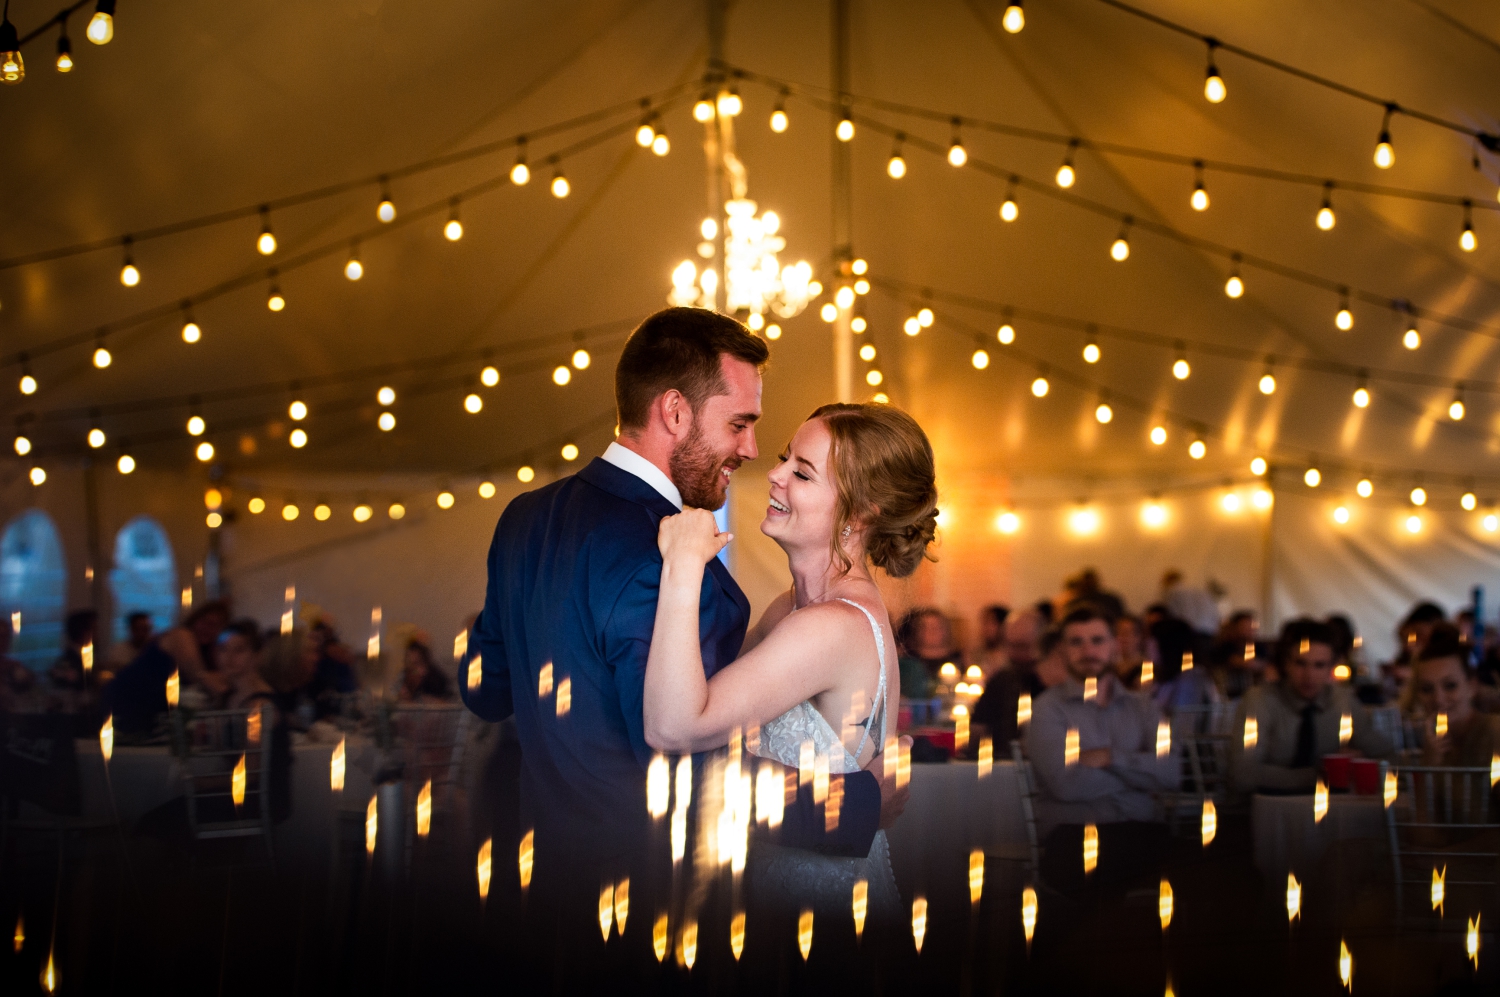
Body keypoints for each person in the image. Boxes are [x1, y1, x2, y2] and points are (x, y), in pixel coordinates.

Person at [459, 309, 908, 962]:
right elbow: (684, 767)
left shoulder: (525, 517)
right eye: (740, 423)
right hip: (654, 903)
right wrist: (859, 800)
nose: (753, 452)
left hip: (541, 879)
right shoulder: (671, 558)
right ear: (675, 412)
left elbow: (486, 690)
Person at [645, 401, 937, 924]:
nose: (774, 475)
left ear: (860, 511)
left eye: (801, 472)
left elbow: (676, 725)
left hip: (819, 909)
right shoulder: (793, 609)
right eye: (785, 459)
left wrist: (684, 568)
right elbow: (705, 694)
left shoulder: (830, 627)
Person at [1025, 604, 1176, 896]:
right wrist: (1140, 771)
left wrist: (1109, 757)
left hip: (1143, 830)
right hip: (1074, 833)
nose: (1088, 650)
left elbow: (1170, 773)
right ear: (1063, 650)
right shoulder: (1046, 709)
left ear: (1113, 646)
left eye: (1097, 640)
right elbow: (1067, 784)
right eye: (1076, 641)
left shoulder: (1143, 707)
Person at [1231, 618, 1394, 794]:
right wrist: (1318, 774)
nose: (1309, 676)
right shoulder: (1261, 700)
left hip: (1333, 808)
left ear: (1331, 666)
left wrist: (1362, 763)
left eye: (1319, 665)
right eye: (1300, 663)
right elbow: (1242, 774)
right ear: (1285, 663)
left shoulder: (1342, 701)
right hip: (1269, 809)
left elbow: (1389, 757)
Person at [102, 601, 230, 738]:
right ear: (195, 620)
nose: (207, 628)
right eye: (204, 622)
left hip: (149, 716)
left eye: (215, 626)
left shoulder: (208, 653)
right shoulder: (181, 635)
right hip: (124, 704)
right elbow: (200, 676)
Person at [1407, 623, 1500, 768]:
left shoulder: (1494, 733)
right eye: (1426, 689)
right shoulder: (1434, 742)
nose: (1438, 699)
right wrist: (1430, 763)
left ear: (1471, 687)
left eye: (1450, 686)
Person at [895, 607, 960, 698]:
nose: (933, 631)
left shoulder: (958, 659)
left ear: (946, 630)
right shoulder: (907, 662)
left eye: (938, 627)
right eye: (927, 627)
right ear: (918, 631)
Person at [397, 637, 453, 703]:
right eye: (409, 663)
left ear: (425, 664)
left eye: (416, 663)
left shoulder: (437, 680)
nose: (412, 669)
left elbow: (447, 703)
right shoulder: (403, 677)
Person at [972, 604, 1009, 677]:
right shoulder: (976, 654)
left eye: (989, 622)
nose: (984, 628)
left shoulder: (1010, 657)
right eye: (983, 623)